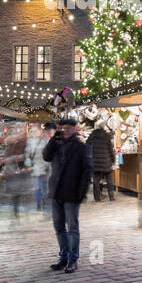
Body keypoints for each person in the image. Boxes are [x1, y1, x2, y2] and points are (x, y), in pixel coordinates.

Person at [43, 116, 91, 273]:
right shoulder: (57, 143)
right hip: (57, 191)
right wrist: (53, 139)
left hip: (72, 192)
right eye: (63, 128)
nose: (66, 131)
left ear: (75, 129)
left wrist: (81, 193)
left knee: (72, 228)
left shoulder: (80, 147)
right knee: (59, 227)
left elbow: (87, 171)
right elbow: (46, 156)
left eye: (69, 128)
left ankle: (73, 259)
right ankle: (63, 257)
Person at [87, 119, 117, 202]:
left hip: (95, 161)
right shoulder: (106, 135)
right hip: (106, 161)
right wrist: (113, 159)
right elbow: (110, 149)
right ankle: (111, 197)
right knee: (109, 180)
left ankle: (97, 198)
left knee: (96, 180)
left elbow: (87, 144)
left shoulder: (92, 135)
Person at [25, 123, 52, 210]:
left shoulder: (46, 140)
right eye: (32, 131)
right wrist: (28, 164)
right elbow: (27, 155)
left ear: (40, 131)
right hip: (35, 168)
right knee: (37, 187)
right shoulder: (30, 142)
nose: (34, 133)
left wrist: (48, 164)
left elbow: (50, 155)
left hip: (45, 168)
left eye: (36, 131)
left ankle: (44, 203)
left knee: (44, 187)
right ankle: (38, 203)